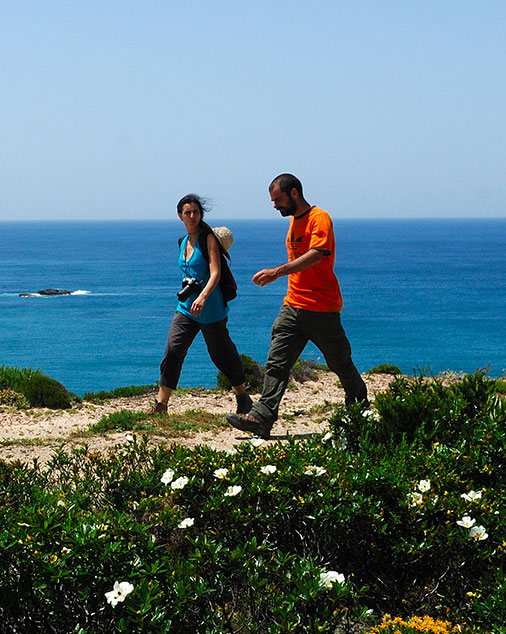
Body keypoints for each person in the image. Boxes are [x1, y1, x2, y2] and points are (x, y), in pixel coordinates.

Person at [226, 174, 368, 437]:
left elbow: (315, 255)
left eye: (278, 200)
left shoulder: (319, 218)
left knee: (340, 363)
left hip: (322, 308)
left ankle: (360, 408)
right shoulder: (293, 221)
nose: (275, 206)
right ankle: (261, 417)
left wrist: (277, 272)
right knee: (277, 363)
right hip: (293, 305)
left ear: (294, 193)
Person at [154, 194, 253, 417]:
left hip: (210, 308)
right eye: (187, 212)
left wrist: (203, 296)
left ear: (201, 215)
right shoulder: (182, 242)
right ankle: (162, 405)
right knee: (173, 350)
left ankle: (242, 396)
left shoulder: (208, 239)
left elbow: (215, 272)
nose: (192, 216)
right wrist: (193, 297)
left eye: (196, 212)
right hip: (186, 307)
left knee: (221, 354)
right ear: (180, 215)